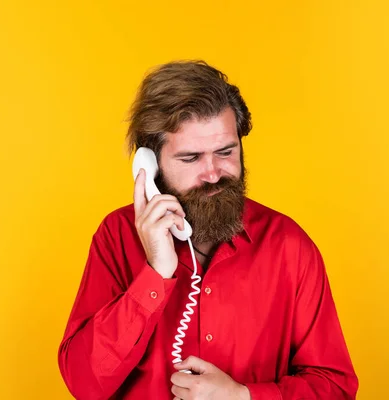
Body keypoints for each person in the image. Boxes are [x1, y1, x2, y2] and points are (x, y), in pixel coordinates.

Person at [57, 60, 358, 399]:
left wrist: (245, 397)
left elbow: (335, 388)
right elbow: (84, 384)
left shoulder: (288, 245)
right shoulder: (116, 236)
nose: (213, 173)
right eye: (191, 158)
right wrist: (156, 273)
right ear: (150, 163)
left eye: (226, 152)